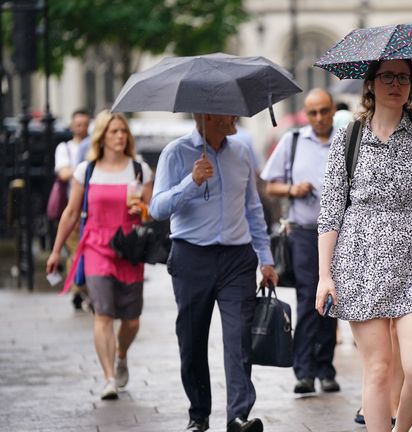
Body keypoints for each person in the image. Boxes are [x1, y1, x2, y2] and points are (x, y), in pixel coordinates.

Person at [315, 59, 412, 432]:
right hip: (361, 261)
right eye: (387, 77)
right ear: (371, 83)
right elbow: (331, 211)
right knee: (377, 369)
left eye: (404, 78)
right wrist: (324, 276)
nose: (396, 84)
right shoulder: (349, 137)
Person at [149, 113, 277, 432]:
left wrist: (266, 258)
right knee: (192, 340)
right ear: (205, 115)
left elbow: (253, 209)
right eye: (227, 110)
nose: (235, 116)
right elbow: (157, 208)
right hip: (191, 256)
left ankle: (238, 415)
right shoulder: (175, 153)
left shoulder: (242, 151)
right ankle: (199, 414)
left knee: (238, 337)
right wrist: (191, 182)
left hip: (237, 257)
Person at [46, 110, 153, 400]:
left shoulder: (140, 170)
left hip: (130, 248)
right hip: (96, 246)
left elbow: (152, 211)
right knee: (103, 313)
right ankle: (108, 377)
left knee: (131, 320)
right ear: (102, 136)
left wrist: (141, 211)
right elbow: (70, 213)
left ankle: (121, 354)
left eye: (123, 132)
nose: (119, 136)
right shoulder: (87, 170)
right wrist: (56, 250)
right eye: (113, 131)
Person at [261, 88, 340, 395]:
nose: (319, 118)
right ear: (306, 115)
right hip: (305, 233)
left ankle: (326, 368)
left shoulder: (346, 142)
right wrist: (292, 190)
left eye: (324, 111)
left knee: (334, 302)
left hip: (340, 233)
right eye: (313, 112)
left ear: (333, 110)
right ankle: (304, 371)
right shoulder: (293, 141)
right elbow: (271, 186)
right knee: (309, 300)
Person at [53, 108, 91, 310]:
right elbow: (63, 173)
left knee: (83, 252)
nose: (82, 128)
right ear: (72, 126)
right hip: (72, 207)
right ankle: (78, 290)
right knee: (77, 251)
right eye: (78, 124)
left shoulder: (95, 146)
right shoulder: (64, 148)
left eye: (85, 124)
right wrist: (84, 167)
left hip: (92, 209)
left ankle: (81, 289)